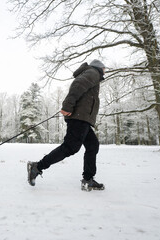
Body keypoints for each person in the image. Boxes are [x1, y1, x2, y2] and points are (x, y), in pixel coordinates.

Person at [27, 60, 106, 191]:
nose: (105, 71)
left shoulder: (93, 75)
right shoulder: (93, 72)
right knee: (70, 147)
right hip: (79, 118)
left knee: (92, 145)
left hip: (83, 119)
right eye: (104, 69)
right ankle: (37, 167)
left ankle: (88, 180)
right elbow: (78, 85)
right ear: (99, 67)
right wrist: (67, 106)